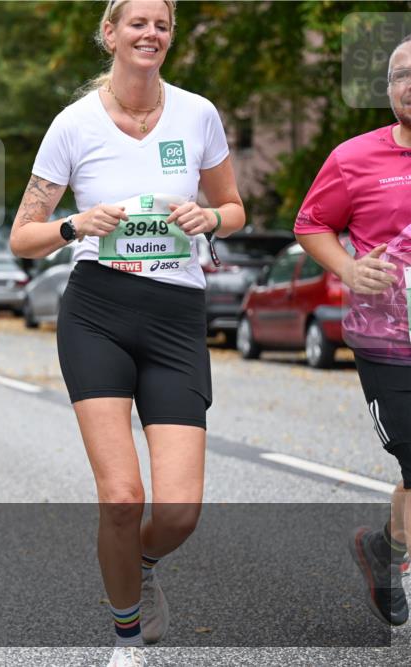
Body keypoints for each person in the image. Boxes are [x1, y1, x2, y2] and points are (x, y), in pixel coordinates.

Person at [8, 2, 245, 665]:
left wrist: (210, 219)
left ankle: (139, 562)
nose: (151, 33)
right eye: (137, 23)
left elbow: (234, 206)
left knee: (178, 511)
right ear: (110, 34)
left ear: (170, 37)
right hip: (98, 312)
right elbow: (23, 236)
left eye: (161, 24)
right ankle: (127, 639)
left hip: (175, 316)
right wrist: (73, 225)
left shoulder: (198, 114)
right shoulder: (73, 124)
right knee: (121, 497)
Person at [294, 34, 411, 628]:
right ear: (387, 89)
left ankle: (384, 549)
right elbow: (311, 223)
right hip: (389, 342)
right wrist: (348, 268)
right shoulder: (354, 158)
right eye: (401, 75)